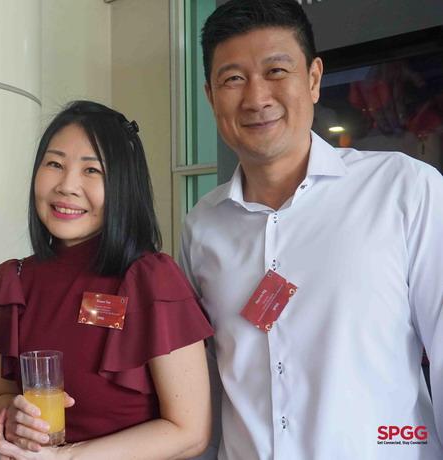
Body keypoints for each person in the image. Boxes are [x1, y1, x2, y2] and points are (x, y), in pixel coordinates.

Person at [179, 0, 443, 459]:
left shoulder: (405, 189)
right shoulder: (202, 225)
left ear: (314, 79)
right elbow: (202, 385)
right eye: (233, 79)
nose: (256, 98)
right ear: (210, 96)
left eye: (276, 71)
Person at [0, 100, 214, 459]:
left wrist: (68, 456)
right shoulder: (14, 280)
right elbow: (4, 393)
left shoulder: (151, 279)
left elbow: (189, 432)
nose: (67, 186)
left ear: (123, 185)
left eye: (92, 170)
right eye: (54, 164)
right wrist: (16, 419)